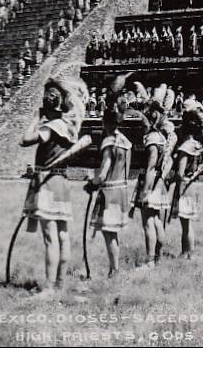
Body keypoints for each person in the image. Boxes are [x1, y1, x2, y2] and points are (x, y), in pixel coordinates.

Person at [19, 71, 88, 294]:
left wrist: (36, 119)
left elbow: (25, 139)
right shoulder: (68, 128)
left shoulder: (52, 127)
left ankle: (49, 287)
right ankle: (60, 284)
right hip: (62, 183)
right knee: (63, 236)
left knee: (50, 238)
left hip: (47, 183)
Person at [84, 87, 131, 278]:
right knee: (113, 232)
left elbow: (103, 173)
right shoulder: (125, 141)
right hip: (122, 190)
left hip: (110, 192)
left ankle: (114, 270)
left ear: (105, 122)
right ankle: (115, 268)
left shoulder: (109, 142)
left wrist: (91, 183)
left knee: (108, 233)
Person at [134, 82, 175, 267]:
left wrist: (144, 192)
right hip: (159, 183)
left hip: (150, 183)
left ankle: (150, 261)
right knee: (157, 220)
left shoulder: (152, 139)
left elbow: (150, 168)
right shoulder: (161, 137)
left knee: (148, 222)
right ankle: (158, 258)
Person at [170, 104, 203, 259]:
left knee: (185, 224)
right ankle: (187, 252)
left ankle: (187, 252)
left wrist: (169, 180)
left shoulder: (186, 147)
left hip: (184, 187)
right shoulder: (197, 145)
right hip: (192, 186)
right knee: (187, 224)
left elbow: (180, 174)